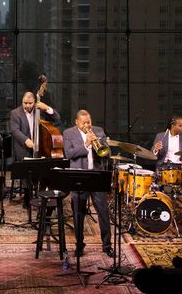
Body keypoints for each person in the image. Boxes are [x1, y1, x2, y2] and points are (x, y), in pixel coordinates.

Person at [63, 110, 114, 258]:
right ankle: (79, 245)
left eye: (89, 122)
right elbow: (69, 154)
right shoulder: (68, 133)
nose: (87, 125)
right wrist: (86, 144)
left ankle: (107, 245)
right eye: (84, 123)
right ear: (77, 122)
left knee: (103, 212)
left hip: (96, 175)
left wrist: (97, 143)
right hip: (80, 177)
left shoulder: (99, 131)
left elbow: (107, 152)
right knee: (78, 214)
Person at [9, 92, 60, 208]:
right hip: (23, 148)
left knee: (43, 170)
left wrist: (47, 108)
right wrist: (26, 140)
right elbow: (15, 131)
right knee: (27, 172)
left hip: (41, 148)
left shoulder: (40, 111)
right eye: (25, 103)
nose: (27, 105)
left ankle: (43, 194)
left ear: (34, 102)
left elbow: (57, 119)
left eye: (30, 103)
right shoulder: (15, 113)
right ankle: (27, 196)